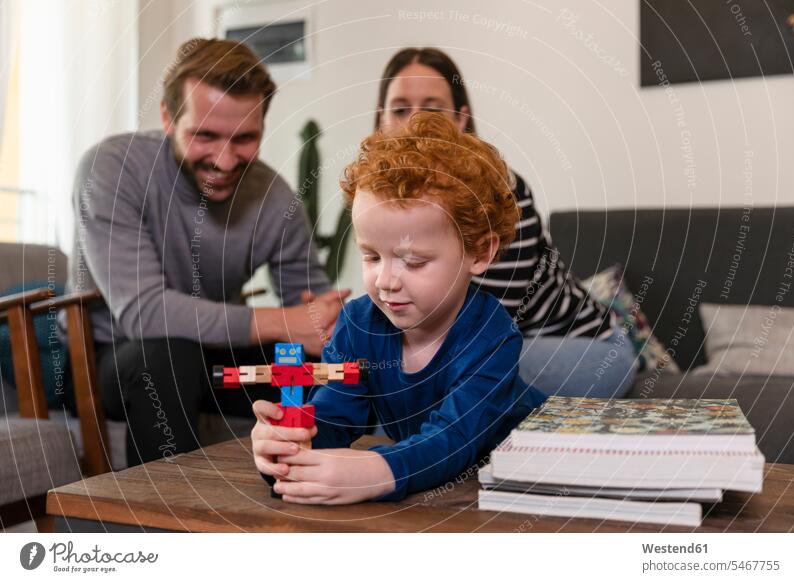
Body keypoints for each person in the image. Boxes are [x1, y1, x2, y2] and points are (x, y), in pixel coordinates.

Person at [65, 38, 348, 466]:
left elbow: (310, 310)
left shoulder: (274, 200)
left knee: (329, 371)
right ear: (167, 116)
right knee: (164, 354)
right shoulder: (110, 170)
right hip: (112, 361)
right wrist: (283, 322)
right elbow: (143, 313)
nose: (225, 159)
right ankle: (166, 526)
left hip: (211, 356)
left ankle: (328, 504)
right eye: (205, 135)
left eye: (245, 139)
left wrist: (326, 321)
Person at [251, 113, 547, 503]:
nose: (386, 280)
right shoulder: (358, 325)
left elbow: (453, 439)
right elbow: (334, 416)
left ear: (480, 252)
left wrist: (379, 470)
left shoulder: (491, 335)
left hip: (537, 470)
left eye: (414, 261)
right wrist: (288, 444)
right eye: (371, 256)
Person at [373, 47, 637, 398]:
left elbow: (480, 327)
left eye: (434, 109)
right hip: (478, 344)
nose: (416, 122)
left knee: (433, 372)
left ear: (461, 120)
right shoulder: (382, 201)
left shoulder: (499, 191)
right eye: (401, 109)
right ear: (381, 121)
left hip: (582, 347)